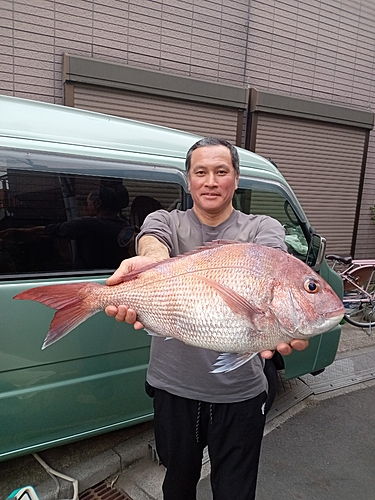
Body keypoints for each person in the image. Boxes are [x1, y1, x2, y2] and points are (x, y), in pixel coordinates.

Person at [105, 137, 309, 500]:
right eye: (201, 172)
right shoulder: (165, 219)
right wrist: (152, 262)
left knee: (235, 490)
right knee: (177, 483)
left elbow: (273, 260)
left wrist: (285, 310)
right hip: (173, 389)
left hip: (241, 396)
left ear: (237, 177)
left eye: (221, 171)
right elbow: (152, 239)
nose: (210, 181)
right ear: (188, 180)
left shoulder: (262, 228)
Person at [0, 184, 135, 271]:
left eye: (88, 203)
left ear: (98, 203)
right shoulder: (125, 226)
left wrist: (17, 231)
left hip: (86, 281)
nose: (86, 207)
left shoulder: (87, 225)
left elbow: (49, 231)